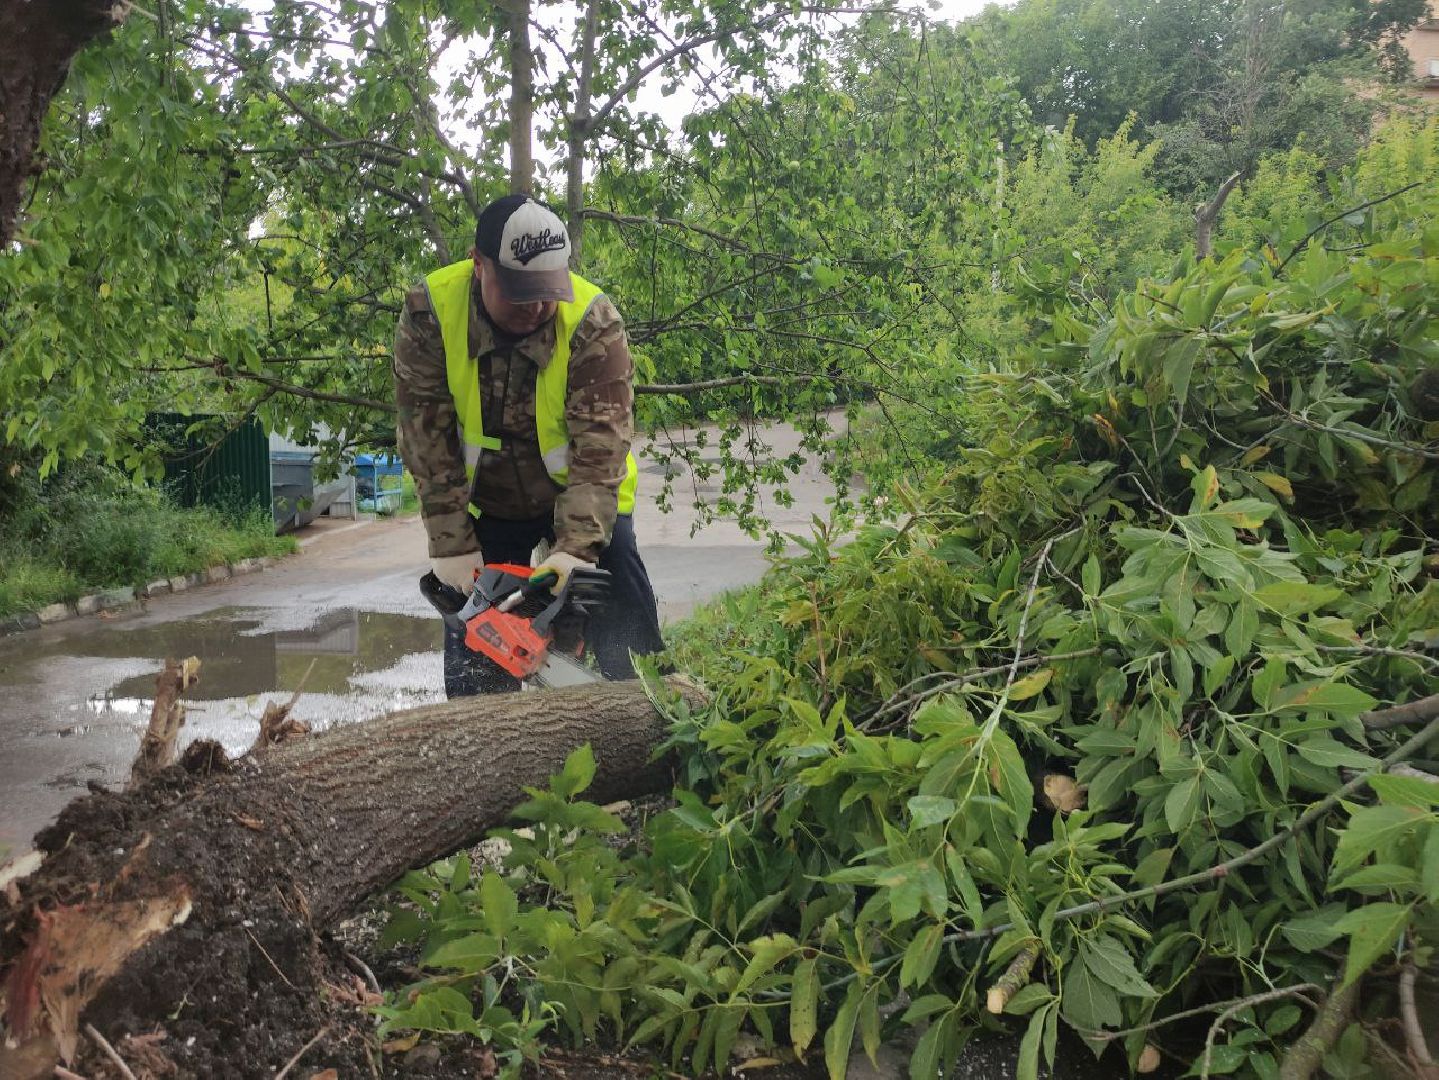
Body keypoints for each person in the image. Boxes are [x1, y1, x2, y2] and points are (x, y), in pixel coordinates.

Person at [393, 193, 665, 696]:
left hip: (582, 497)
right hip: (487, 505)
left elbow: (600, 448)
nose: (537, 306)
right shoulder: (431, 311)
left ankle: (653, 713)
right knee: (477, 650)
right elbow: (426, 437)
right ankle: (481, 743)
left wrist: (576, 551)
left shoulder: (592, 320)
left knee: (621, 596)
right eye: (521, 292)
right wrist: (451, 543)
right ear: (479, 264)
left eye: (547, 290)